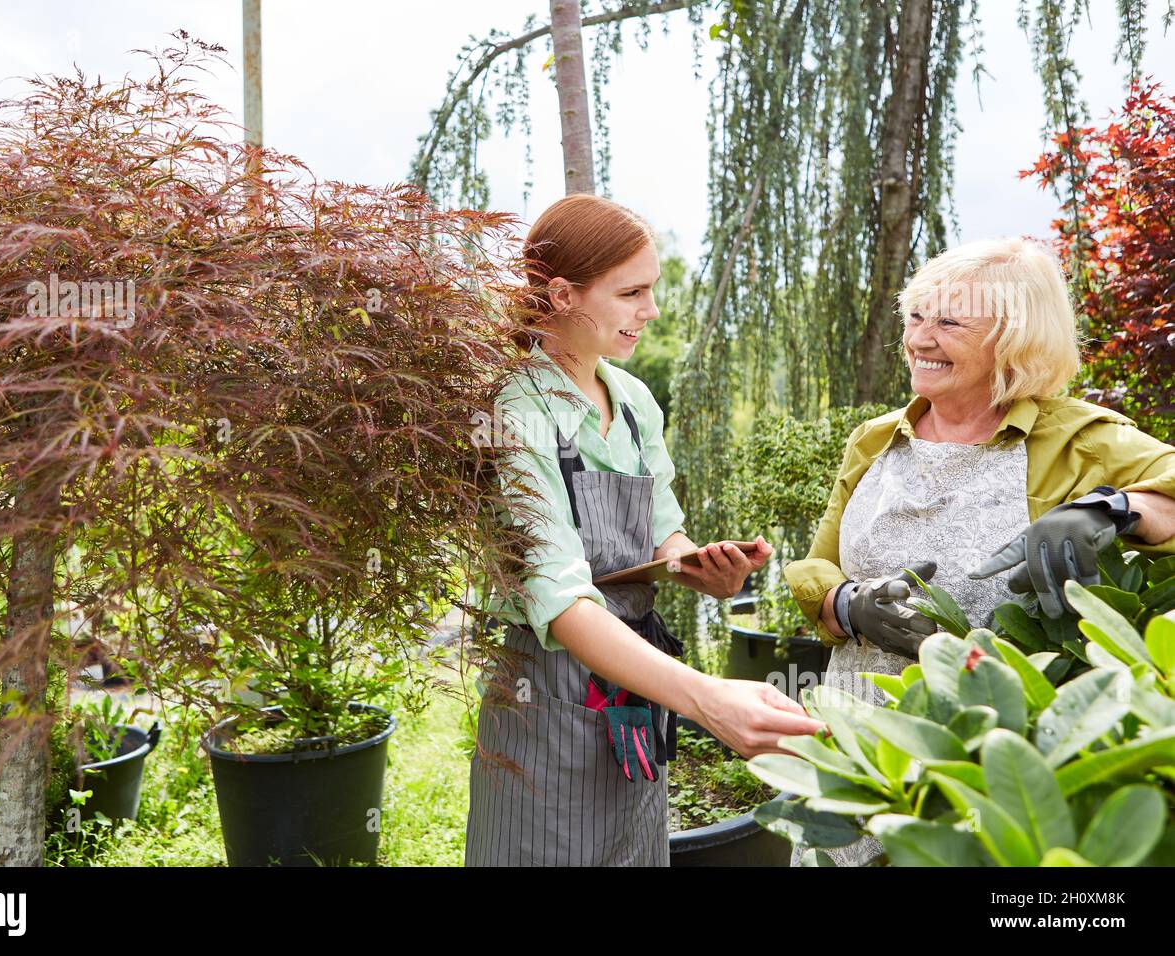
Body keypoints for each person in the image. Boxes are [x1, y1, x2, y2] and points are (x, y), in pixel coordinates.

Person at [783, 235, 1175, 866]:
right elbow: (815, 564)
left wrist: (1117, 509)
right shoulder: (876, 440)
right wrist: (843, 602)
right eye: (915, 316)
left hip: (998, 751)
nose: (919, 338)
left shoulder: (1079, 441)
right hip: (860, 748)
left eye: (949, 321)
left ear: (1015, 339)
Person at [464, 194, 824, 867]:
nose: (652, 309)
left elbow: (665, 533)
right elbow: (563, 603)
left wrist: (698, 565)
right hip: (545, 697)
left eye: (651, 289)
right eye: (632, 292)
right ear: (564, 295)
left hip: (636, 687)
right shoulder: (517, 409)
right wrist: (708, 697)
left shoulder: (633, 403)